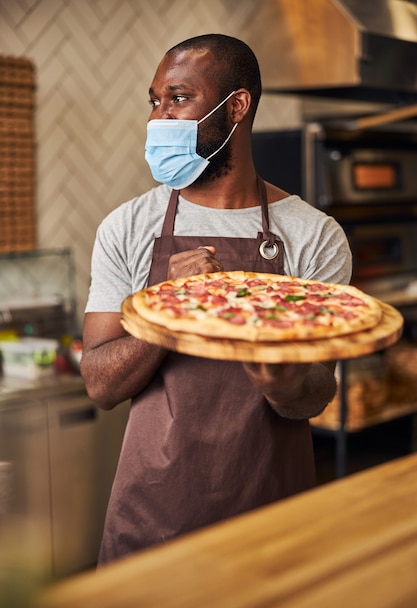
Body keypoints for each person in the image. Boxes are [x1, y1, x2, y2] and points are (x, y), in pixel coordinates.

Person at [81, 34, 352, 565]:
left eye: (178, 98)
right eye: (155, 101)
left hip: (273, 518)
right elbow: (99, 382)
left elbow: (316, 394)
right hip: (154, 519)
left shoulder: (313, 235)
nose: (159, 118)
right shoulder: (127, 227)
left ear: (237, 107)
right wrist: (170, 306)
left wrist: (287, 379)